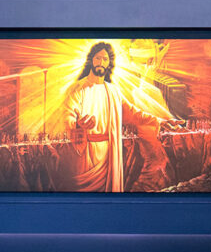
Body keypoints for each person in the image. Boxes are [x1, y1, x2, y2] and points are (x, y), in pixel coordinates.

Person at [62, 42, 178, 192]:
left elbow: (134, 113)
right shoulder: (77, 89)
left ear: (109, 63)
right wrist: (78, 124)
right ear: (91, 60)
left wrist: (160, 121)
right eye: (98, 58)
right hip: (86, 155)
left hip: (109, 154)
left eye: (105, 59)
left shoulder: (113, 91)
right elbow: (68, 115)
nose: (101, 62)